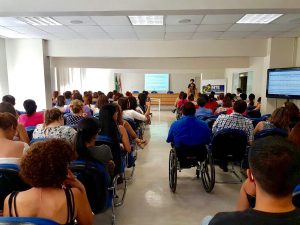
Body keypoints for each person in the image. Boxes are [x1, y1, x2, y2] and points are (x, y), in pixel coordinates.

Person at [205, 136, 300, 225]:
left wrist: (244, 190)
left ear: (250, 175)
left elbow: (238, 219)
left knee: (206, 220)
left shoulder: (221, 221)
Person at [3, 139, 93, 225]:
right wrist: (81, 188)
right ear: (62, 170)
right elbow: (88, 223)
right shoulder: (73, 196)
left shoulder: (11, 200)